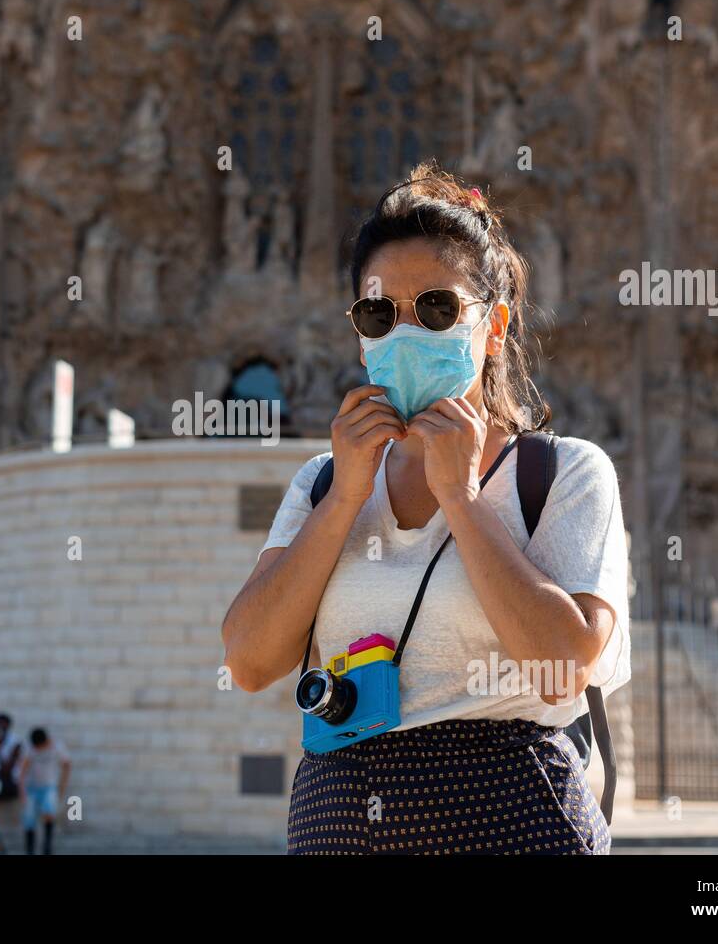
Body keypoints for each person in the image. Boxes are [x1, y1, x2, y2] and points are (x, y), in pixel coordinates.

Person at [221, 162, 630, 855]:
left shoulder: (563, 474)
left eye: (437, 308)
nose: (405, 330)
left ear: (493, 324)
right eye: (380, 313)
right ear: (359, 334)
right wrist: (347, 496)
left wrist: (463, 499)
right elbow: (250, 662)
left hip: (511, 830)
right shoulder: (322, 483)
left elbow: (564, 664)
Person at [18, 728, 70, 855]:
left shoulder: (57, 746)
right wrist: (22, 792)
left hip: (49, 787)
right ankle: (30, 850)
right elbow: (22, 771)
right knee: (29, 819)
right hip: (31, 787)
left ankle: (47, 847)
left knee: (49, 813)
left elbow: (67, 764)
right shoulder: (29, 748)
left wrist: (62, 786)